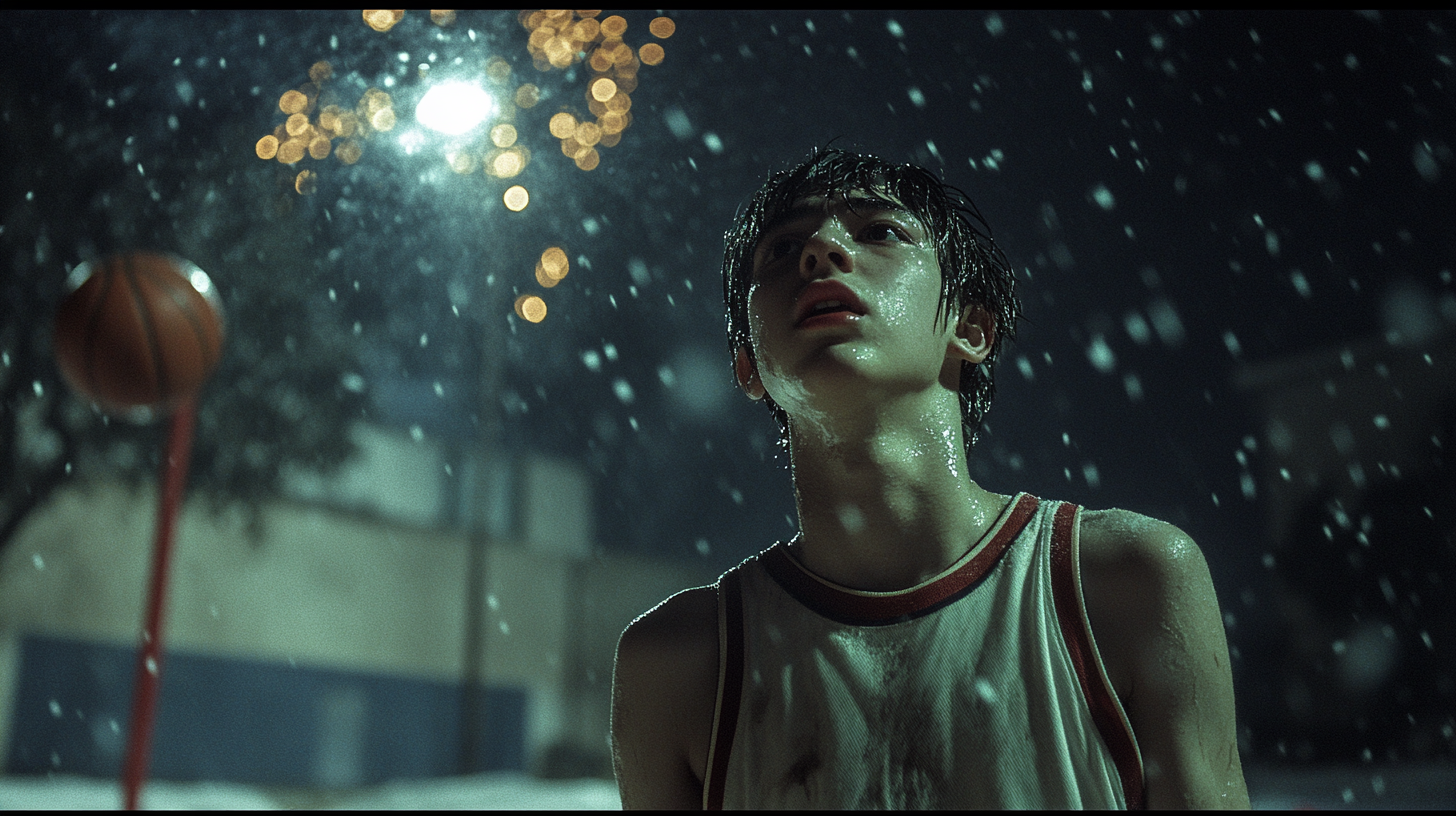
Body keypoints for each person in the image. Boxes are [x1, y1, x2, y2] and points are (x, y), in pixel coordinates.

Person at [610, 147, 1250, 809]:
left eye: (880, 232)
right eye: (782, 249)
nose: (822, 249)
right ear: (748, 365)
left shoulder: (1121, 583)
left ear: (971, 327)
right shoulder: (680, 664)